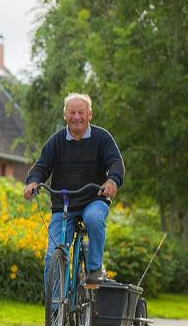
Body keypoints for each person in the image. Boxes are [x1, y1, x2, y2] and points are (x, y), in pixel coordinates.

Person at [23, 92, 124, 283]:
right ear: (65, 115)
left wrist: (112, 181)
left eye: (81, 112)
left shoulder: (102, 138)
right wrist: (32, 182)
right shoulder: (56, 141)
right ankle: (54, 310)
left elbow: (116, 162)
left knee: (94, 219)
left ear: (89, 114)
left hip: (94, 198)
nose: (76, 117)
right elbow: (42, 166)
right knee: (53, 254)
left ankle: (94, 269)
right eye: (72, 112)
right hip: (64, 203)